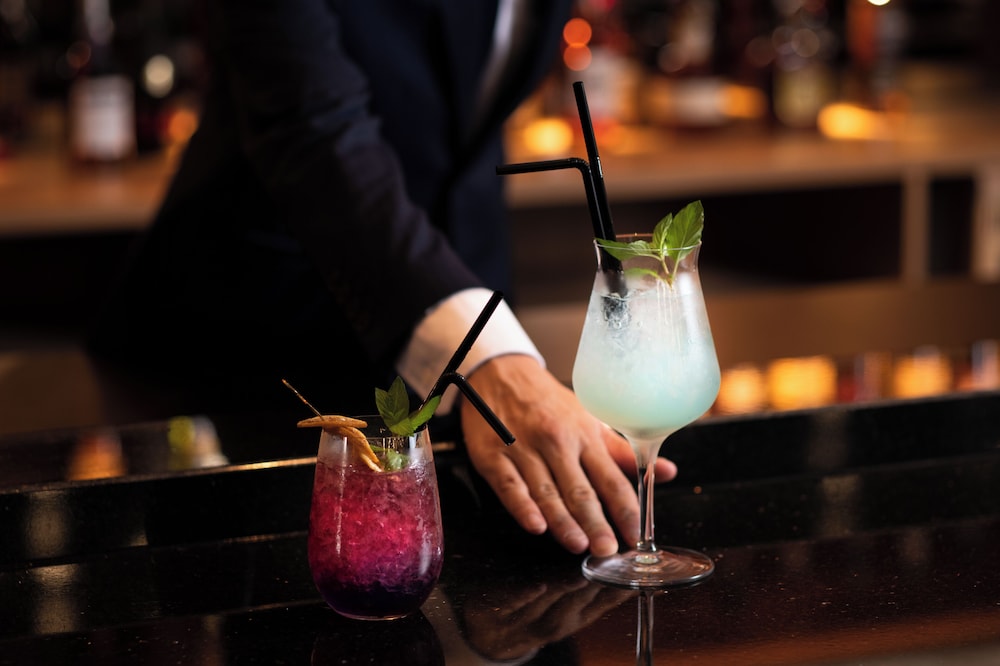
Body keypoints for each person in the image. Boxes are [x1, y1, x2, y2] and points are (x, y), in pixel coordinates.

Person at [88, 0, 676, 558]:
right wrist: (488, 357)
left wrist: (491, 343)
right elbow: (310, 127)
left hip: (458, 313)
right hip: (249, 350)